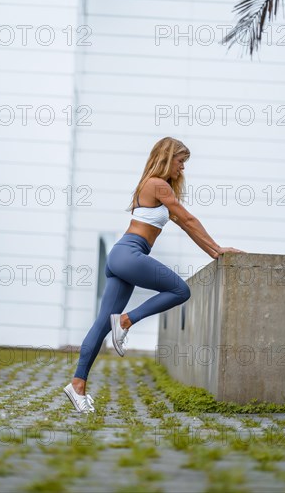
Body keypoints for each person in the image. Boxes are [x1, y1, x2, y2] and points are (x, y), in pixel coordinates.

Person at [63, 137, 244, 412]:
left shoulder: (154, 187)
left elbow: (186, 226)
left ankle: (77, 384)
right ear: (167, 157)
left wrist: (212, 250)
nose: (182, 168)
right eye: (180, 161)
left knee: (101, 325)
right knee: (180, 291)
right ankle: (124, 321)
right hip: (129, 254)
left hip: (121, 257)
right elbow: (188, 219)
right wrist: (217, 248)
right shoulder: (156, 184)